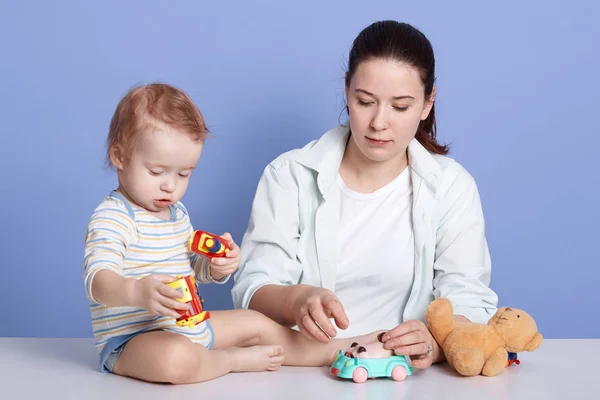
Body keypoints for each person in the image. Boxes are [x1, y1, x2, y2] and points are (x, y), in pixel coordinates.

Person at [231, 20, 499, 370]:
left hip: (410, 378)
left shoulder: (451, 186)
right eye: (365, 101)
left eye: (400, 107)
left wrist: (433, 342)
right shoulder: (289, 175)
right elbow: (253, 288)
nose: (378, 122)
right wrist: (295, 299)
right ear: (347, 90)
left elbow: (470, 300)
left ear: (427, 104)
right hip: (302, 373)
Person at [82, 83, 385, 384]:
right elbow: (98, 280)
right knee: (175, 358)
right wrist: (137, 292)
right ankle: (229, 360)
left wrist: (214, 268)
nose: (170, 186)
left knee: (257, 323)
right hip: (133, 341)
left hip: (188, 325)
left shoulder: (176, 214)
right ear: (120, 156)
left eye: (183, 174)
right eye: (157, 171)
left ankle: (343, 348)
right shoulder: (114, 217)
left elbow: (187, 267)